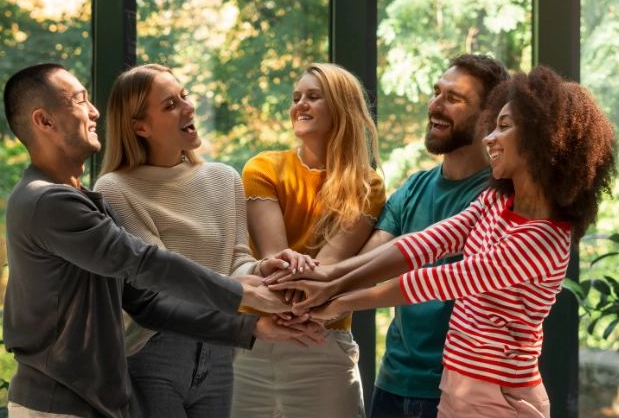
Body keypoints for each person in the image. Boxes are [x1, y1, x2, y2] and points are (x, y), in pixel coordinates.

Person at [271, 66, 617, 418]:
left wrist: (334, 302)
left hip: (500, 402)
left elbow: (442, 279)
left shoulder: (542, 238)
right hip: (457, 390)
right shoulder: (497, 202)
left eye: (505, 126)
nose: (490, 137)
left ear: (542, 137)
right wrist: (329, 280)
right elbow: (427, 243)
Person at [1, 64, 310, 418]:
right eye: (79, 101)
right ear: (44, 121)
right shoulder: (47, 202)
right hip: (58, 406)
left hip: (99, 404)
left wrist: (253, 326)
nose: (94, 111)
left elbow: (147, 303)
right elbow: (145, 262)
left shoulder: (83, 200)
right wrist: (242, 293)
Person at [268, 54, 510, 418]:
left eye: (454, 98)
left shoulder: (500, 198)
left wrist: (333, 296)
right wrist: (317, 286)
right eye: (435, 92)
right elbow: (375, 258)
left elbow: (437, 278)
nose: (435, 105)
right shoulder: (414, 188)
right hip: (394, 383)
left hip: (461, 390)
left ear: (489, 118)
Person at [92, 64, 324, 418]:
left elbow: (235, 260)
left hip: (219, 352)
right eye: (170, 105)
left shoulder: (223, 179)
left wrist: (264, 268)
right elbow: (162, 279)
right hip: (153, 351)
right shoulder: (114, 189)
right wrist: (244, 289)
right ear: (140, 126)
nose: (189, 107)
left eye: (184, 96)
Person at [231, 63, 387, 418]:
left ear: (341, 109)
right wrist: (299, 284)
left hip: (322, 341)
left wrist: (306, 290)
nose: (299, 104)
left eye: (313, 97)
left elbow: (329, 270)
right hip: (255, 343)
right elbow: (276, 262)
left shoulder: (367, 184)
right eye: (296, 97)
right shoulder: (263, 167)